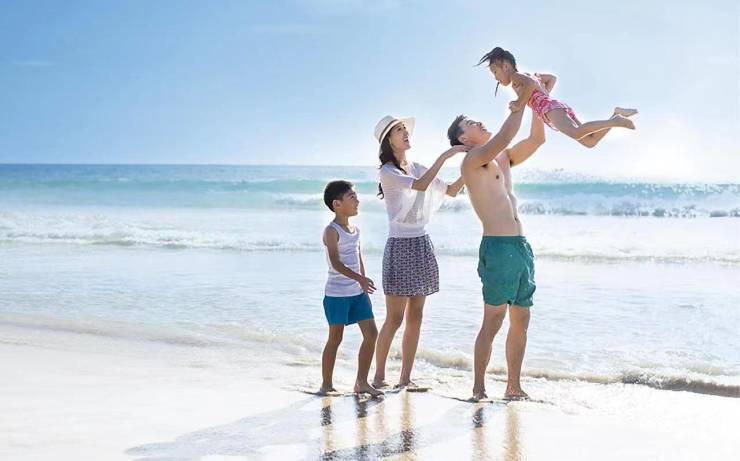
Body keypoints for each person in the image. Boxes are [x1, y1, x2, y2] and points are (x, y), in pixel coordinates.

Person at [447, 103, 546, 401]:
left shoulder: (501, 158)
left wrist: (539, 101)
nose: (478, 122)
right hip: (498, 248)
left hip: (520, 246)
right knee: (493, 321)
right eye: (470, 123)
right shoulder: (472, 161)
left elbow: (536, 139)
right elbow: (505, 135)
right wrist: (525, 95)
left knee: (521, 320)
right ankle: (478, 388)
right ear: (463, 139)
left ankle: (513, 386)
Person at [371, 115, 467, 390]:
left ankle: (405, 378)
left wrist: (473, 165)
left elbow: (451, 191)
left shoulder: (416, 167)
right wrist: (446, 156)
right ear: (389, 141)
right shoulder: (388, 172)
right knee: (394, 318)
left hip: (421, 244)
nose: (405, 133)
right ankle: (378, 376)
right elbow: (422, 185)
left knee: (416, 316)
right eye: (398, 130)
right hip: (400, 246)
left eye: (405, 129)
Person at [479, 46, 637, 148]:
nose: (495, 77)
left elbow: (530, 84)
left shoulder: (515, 77)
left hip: (550, 109)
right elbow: (552, 79)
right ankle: (615, 115)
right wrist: (541, 96)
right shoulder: (529, 76)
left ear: (506, 66)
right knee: (589, 142)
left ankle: (615, 121)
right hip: (553, 107)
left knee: (576, 132)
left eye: (495, 72)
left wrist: (519, 103)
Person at [319, 180, 382, 397]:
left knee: (372, 334)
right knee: (336, 338)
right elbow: (336, 263)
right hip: (337, 295)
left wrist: (363, 284)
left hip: (357, 293)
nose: (357, 201)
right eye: (352, 197)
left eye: (356, 196)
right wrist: (359, 279)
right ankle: (326, 385)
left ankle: (361, 382)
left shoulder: (356, 230)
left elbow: (358, 257)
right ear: (337, 204)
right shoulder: (331, 231)